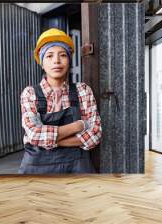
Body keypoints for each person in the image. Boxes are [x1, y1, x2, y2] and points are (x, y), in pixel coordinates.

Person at [18, 28, 102, 174]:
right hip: (37, 168)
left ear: (69, 60)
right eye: (49, 56)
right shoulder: (30, 93)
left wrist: (50, 141)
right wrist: (78, 126)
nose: (56, 61)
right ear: (42, 63)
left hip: (77, 166)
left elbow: (94, 135)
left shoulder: (82, 90)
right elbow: (34, 134)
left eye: (63, 55)